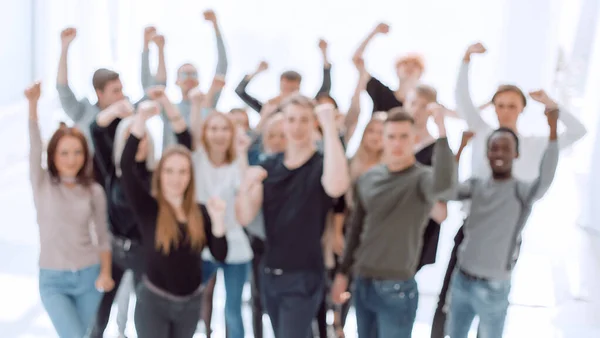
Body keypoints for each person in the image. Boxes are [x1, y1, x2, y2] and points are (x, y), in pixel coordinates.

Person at [430, 42, 587, 338]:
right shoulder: (483, 133)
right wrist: (465, 60)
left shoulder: (534, 145)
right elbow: (462, 101)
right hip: (471, 229)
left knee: (490, 307)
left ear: (522, 109)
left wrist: (553, 108)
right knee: (449, 302)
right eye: (499, 104)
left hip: (504, 235)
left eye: (511, 105)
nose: (504, 111)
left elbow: (577, 132)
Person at [332, 109, 456, 338]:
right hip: (363, 282)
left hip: (397, 288)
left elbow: (445, 188)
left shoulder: (422, 179)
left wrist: (442, 135)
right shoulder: (368, 179)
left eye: (403, 137)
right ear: (383, 140)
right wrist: (343, 273)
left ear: (414, 139)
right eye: (391, 137)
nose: (397, 143)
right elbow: (356, 230)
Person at [236, 97, 350, 337]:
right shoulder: (269, 166)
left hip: (304, 276)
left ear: (313, 123)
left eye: (304, 120)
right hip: (270, 273)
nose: (297, 127)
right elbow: (245, 217)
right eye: (291, 120)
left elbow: (337, 186)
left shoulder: (321, 166)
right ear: (283, 124)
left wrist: (329, 126)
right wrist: (246, 183)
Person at [445, 109, 560, 338]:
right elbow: (448, 190)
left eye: (505, 148)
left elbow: (545, 180)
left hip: (494, 287)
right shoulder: (476, 186)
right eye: (494, 148)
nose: (499, 153)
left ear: (516, 154)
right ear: (487, 153)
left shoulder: (521, 192)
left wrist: (553, 131)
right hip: (462, 280)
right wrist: (459, 150)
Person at [119, 101, 228, 337]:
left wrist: (219, 220)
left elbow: (220, 254)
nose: (176, 178)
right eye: (169, 171)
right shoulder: (148, 207)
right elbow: (126, 166)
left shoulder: (201, 211)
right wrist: (140, 120)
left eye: (182, 172)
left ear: (190, 176)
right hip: (153, 304)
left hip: (190, 305)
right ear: (160, 174)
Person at [89, 87, 186, 338]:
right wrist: (118, 110)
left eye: (144, 137)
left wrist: (165, 104)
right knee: (101, 312)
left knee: (146, 312)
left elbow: (185, 144)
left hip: (146, 253)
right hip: (116, 251)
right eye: (134, 137)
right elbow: (96, 130)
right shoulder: (114, 171)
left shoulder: (158, 176)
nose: (139, 142)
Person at [26, 81, 114, 338]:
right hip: (54, 280)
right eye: (64, 153)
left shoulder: (94, 191)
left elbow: (103, 236)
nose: (71, 158)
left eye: (77, 152)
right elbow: (34, 148)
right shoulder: (43, 184)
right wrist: (33, 106)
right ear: (53, 155)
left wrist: (106, 272)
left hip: (89, 277)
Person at [190, 112, 252, 338]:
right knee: (193, 299)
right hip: (204, 244)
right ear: (205, 133)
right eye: (213, 128)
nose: (219, 134)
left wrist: (243, 152)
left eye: (225, 129)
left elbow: (245, 194)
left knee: (233, 310)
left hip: (235, 244)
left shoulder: (238, 163)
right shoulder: (196, 160)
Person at [234, 39, 332, 113]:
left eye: (292, 89)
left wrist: (324, 54)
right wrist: (256, 71)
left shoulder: (308, 108)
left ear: (299, 88)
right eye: (286, 88)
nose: (288, 94)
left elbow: (325, 88)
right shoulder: (269, 109)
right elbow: (240, 91)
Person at [353, 23, 424, 111]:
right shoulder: (381, 92)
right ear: (397, 70)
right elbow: (357, 60)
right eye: (405, 63)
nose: (409, 67)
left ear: (420, 73)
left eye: (415, 65)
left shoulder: (422, 107)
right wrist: (374, 32)